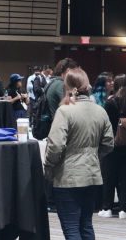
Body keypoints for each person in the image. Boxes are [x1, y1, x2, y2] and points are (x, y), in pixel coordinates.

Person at [44, 67, 113, 239]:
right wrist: (94, 156)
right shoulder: (100, 111)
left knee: (71, 228)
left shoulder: (64, 111)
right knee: (86, 225)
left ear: (67, 87)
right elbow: (109, 143)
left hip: (68, 178)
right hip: (92, 175)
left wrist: (49, 166)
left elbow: (55, 146)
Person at [99, 74, 126, 219]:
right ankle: (124, 208)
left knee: (109, 175)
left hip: (113, 144)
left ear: (116, 86)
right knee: (125, 176)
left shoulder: (112, 102)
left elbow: (106, 124)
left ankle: (107, 208)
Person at [43, 57, 78, 212]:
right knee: (56, 166)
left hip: (52, 128)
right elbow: (68, 105)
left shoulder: (51, 82)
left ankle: (50, 201)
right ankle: (52, 201)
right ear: (66, 71)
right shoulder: (60, 85)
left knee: (53, 165)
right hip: (57, 129)